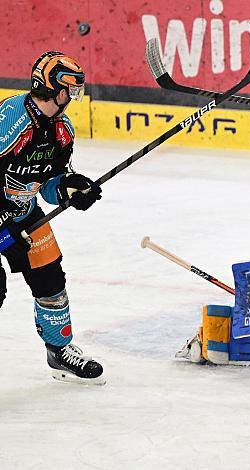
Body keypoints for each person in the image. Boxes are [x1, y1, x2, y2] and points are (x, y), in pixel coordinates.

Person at [0, 51, 104, 385]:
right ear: (52, 87)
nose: (73, 97)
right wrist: (4, 233)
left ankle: (59, 351)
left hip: (24, 212)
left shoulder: (62, 130)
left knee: (50, 280)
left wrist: (69, 190)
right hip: (4, 218)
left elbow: (47, 184)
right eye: (70, 89)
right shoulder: (11, 121)